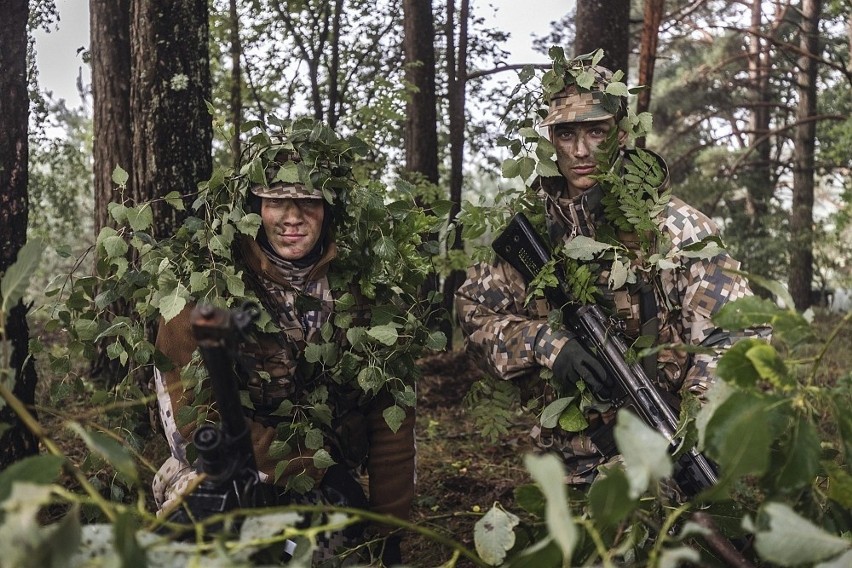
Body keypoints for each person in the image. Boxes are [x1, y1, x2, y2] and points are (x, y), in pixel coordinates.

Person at [455, 63, 768, 487]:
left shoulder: (677, 229)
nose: (581, 151)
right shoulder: (531, 231)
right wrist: (544, 344)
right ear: (551, 140)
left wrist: (692, 426)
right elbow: (474, 313)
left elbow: (737, 338)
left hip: (658, 464)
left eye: (596, 132)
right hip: (565, 464)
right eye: (566, 134)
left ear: (621, 134)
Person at [151, 125, 414, 564]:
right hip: (218, 470)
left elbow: (392, 428)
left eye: (309, 202)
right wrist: (298, 463)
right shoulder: (202, 288)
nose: (293, 217)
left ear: (328, 209)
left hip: (325, 481)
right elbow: (192, 430)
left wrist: (389, 534)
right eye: (275, 202)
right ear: (254, 209)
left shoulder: (367, 296)